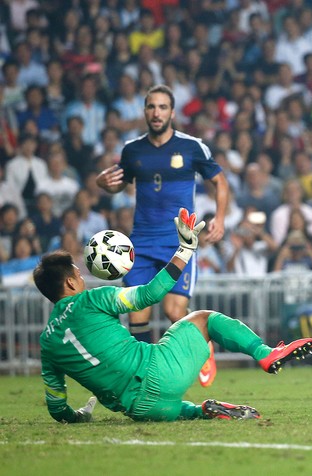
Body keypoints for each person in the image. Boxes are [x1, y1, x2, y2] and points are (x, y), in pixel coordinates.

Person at [36, 208, 312, 423]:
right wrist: (185, 250)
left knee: (172, 408)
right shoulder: (92, 299)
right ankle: (265, 353)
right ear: (71, 282)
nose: (81, 276)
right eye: (76, 272)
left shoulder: (47, 343)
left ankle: (201, 411)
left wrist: (78, 417)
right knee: (205, 318)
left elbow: (57, 407)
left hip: (140, 408)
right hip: (159, 372)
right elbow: (149, 295)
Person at [96, 84, 229, 388]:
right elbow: (120, 183)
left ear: (172, 112)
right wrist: (104, 184)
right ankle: (143, 377)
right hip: (140, 243)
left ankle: (203, 346)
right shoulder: (132, 150)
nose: (156, 113)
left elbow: (220, 182)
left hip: (177, 242)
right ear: (144, 111)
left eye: (162, 107)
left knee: (173, 311)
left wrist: (219, 218)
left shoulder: (193, 146)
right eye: (151, 107)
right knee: (137, 314)